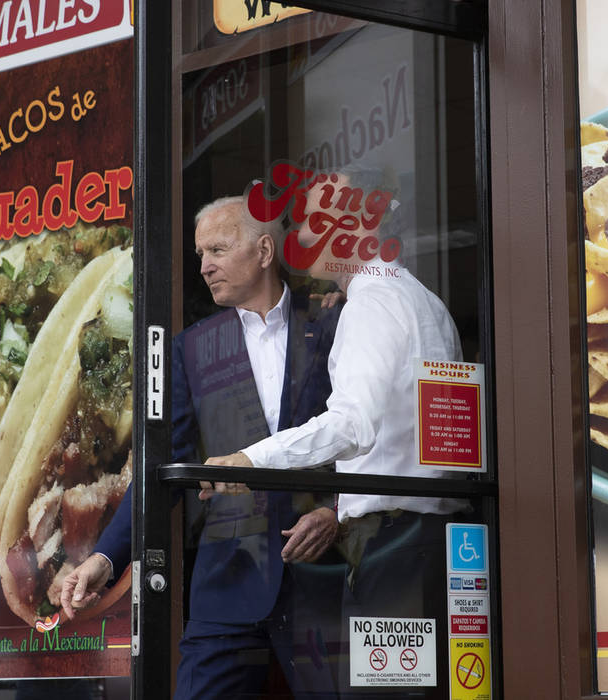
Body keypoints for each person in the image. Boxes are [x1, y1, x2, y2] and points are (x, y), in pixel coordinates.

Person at [60, 196, 343, 699]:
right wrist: (105, 558)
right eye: (200, 255)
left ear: (263, 250)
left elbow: (367, 433)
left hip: (321, 583)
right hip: (227, 583)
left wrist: (337, 512)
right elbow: (165, 468)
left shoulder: (330, 323)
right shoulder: (189, 349)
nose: (205, 266)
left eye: (217, 249)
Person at [207, 167, 469, 697]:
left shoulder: (371, 303)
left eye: (313, 221)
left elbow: (353, 423)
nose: (300, 237)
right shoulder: (424, 301)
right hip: (434, 542)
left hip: (392, 544)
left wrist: (254, 460)